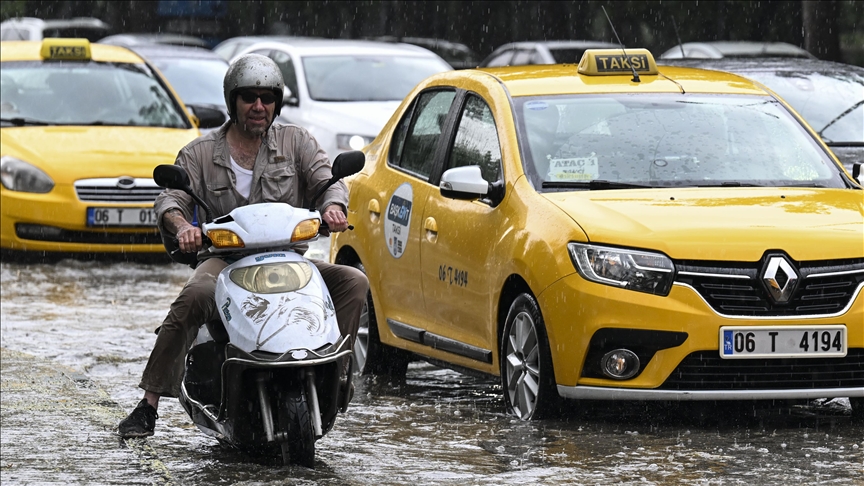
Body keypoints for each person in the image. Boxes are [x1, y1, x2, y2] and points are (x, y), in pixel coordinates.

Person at [117, 53, 369, 438]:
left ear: (276, 103)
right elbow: (170, 199)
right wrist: (183, 225)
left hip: (289, 262)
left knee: (354, 282)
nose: (258, 106)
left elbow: (327, 180)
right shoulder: (200, 153)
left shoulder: (297, 141)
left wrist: (333, 206)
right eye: (249, 97)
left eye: (267, 98)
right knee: (196, 293)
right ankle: (148, 404)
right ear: (232, 101)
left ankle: (335, 378)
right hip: (226, 263)